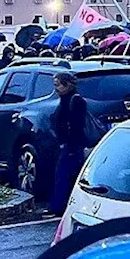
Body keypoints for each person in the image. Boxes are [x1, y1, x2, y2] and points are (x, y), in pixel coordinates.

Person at [49, 72, 88, 216]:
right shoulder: (65, 99)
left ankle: (59, 207)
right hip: (68, 144)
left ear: (67, 85)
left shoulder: (75, 101)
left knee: (63, 175)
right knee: (67, 175)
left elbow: (77, 125)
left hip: (73, 145)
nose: (56, 89)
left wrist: (69, 144)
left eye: (58, 85)